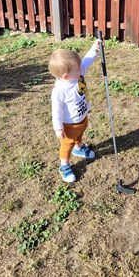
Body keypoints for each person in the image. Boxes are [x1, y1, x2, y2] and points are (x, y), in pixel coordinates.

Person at [48, 39, 101, 182]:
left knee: (80, 134)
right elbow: (56, 112)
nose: (81, 69)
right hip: (69, 124)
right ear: (66, 76)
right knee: (67, 144)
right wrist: (58, 129)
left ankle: (79, 148)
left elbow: (87, 61)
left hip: (82, 118)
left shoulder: (76, 73)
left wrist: (95, 48)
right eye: (78, 69)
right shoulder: (59, 92)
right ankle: (64, 165)